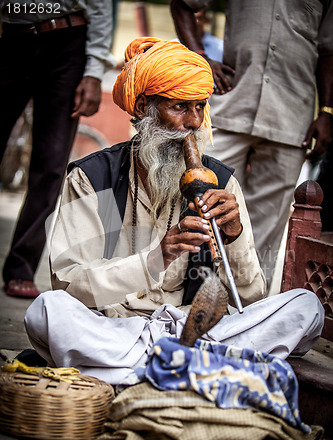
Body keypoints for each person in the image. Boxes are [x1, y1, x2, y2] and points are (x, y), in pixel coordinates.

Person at [24, 38, 324, 385]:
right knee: (47, 311)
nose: (193, 122)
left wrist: (234, 236)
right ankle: (196, 372)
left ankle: (141, 372)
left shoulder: (220, 183)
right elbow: (69, 285)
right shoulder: (96, 178)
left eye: (200, 107)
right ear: (141, 107)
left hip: (195, 332)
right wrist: (155, 260)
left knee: (305, 306)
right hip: (115, 327)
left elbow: (251, 298)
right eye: (180, 106)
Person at [170, 0, 333, 288]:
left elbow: (329, 50)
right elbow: (183, 4)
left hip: (292, 117)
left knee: (265, 230)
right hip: (230, 106)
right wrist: (199, 57)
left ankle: (248, 310)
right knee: (199, 206)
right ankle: (187, 300)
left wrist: (328, 111)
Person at [0, 0, 113, 298]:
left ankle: (21, 267)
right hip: (10, 36)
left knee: (50, 166)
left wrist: (95, 70)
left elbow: (100, 7)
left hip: (66, 43)